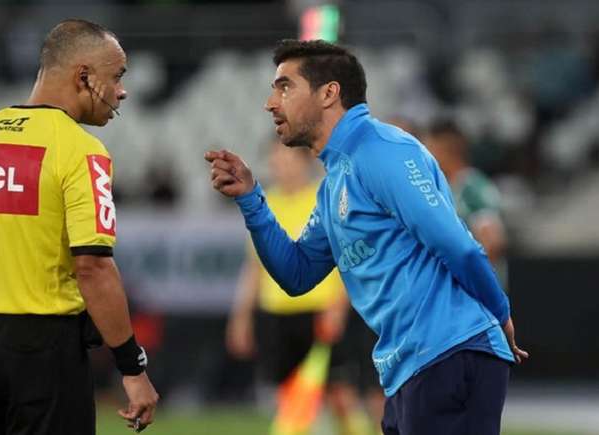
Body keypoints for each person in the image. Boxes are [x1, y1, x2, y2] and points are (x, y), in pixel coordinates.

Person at [205, 39, 528, 435]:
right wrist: (253, 200)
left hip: (450, 353)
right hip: (410, 369)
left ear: (329, 93)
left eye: (285, 86)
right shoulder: (335, 181)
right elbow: (297, 273)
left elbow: (457, 244)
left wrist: (500, 312)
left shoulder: (383, 151)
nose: (271, 102)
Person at [0, 19, 158, 435]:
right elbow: (93, 267)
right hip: (41, 348)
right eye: (117, 76)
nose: (122, 91)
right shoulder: (81, 151)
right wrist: (132, 367)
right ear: (84, 77)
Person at [226, 140, 374, 435]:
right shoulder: (266, 204)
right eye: (277, 160)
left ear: (306, 161)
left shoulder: (326, 198)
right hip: (277, 314)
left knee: (340, 395)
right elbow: (254, 267)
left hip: (319, 311)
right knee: (290, 400)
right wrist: (241, 317)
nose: (282, 166)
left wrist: (338, 306)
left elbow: (350, 259)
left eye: (289, 159)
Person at [422, 119, 507, 275]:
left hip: (475, 292)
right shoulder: (440, 188)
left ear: (445, 150)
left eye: (429, 150)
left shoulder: (472, 188)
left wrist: (470, 278)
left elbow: (492, 241)